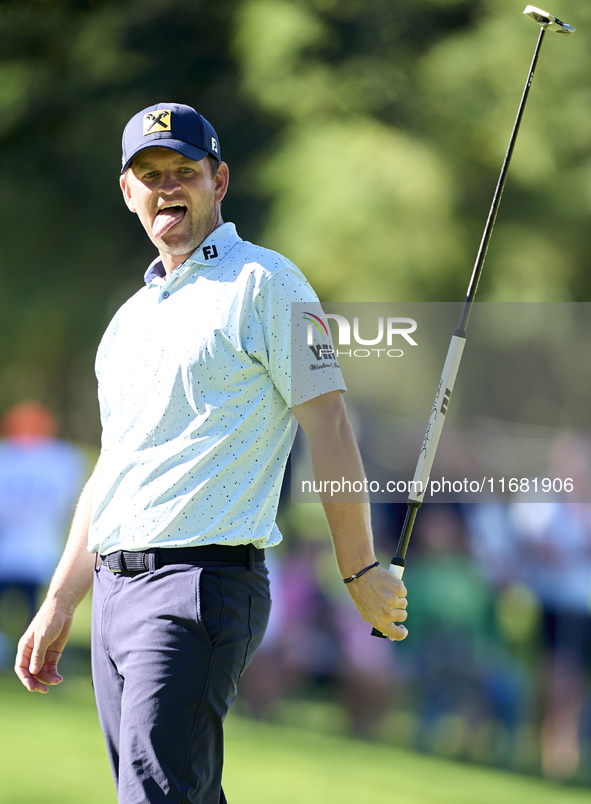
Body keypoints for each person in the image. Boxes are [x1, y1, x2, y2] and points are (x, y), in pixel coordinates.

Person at [15, 103, 408, 804]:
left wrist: (360, 571)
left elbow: (330, 430)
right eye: (151, 174)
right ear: (128, 192)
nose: (168, 187)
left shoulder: (268, 284)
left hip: (199, 585)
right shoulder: (128, 321)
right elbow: (113, 469)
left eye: (184, 172)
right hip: (115, 593)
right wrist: (59, 600)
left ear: (218, 180)